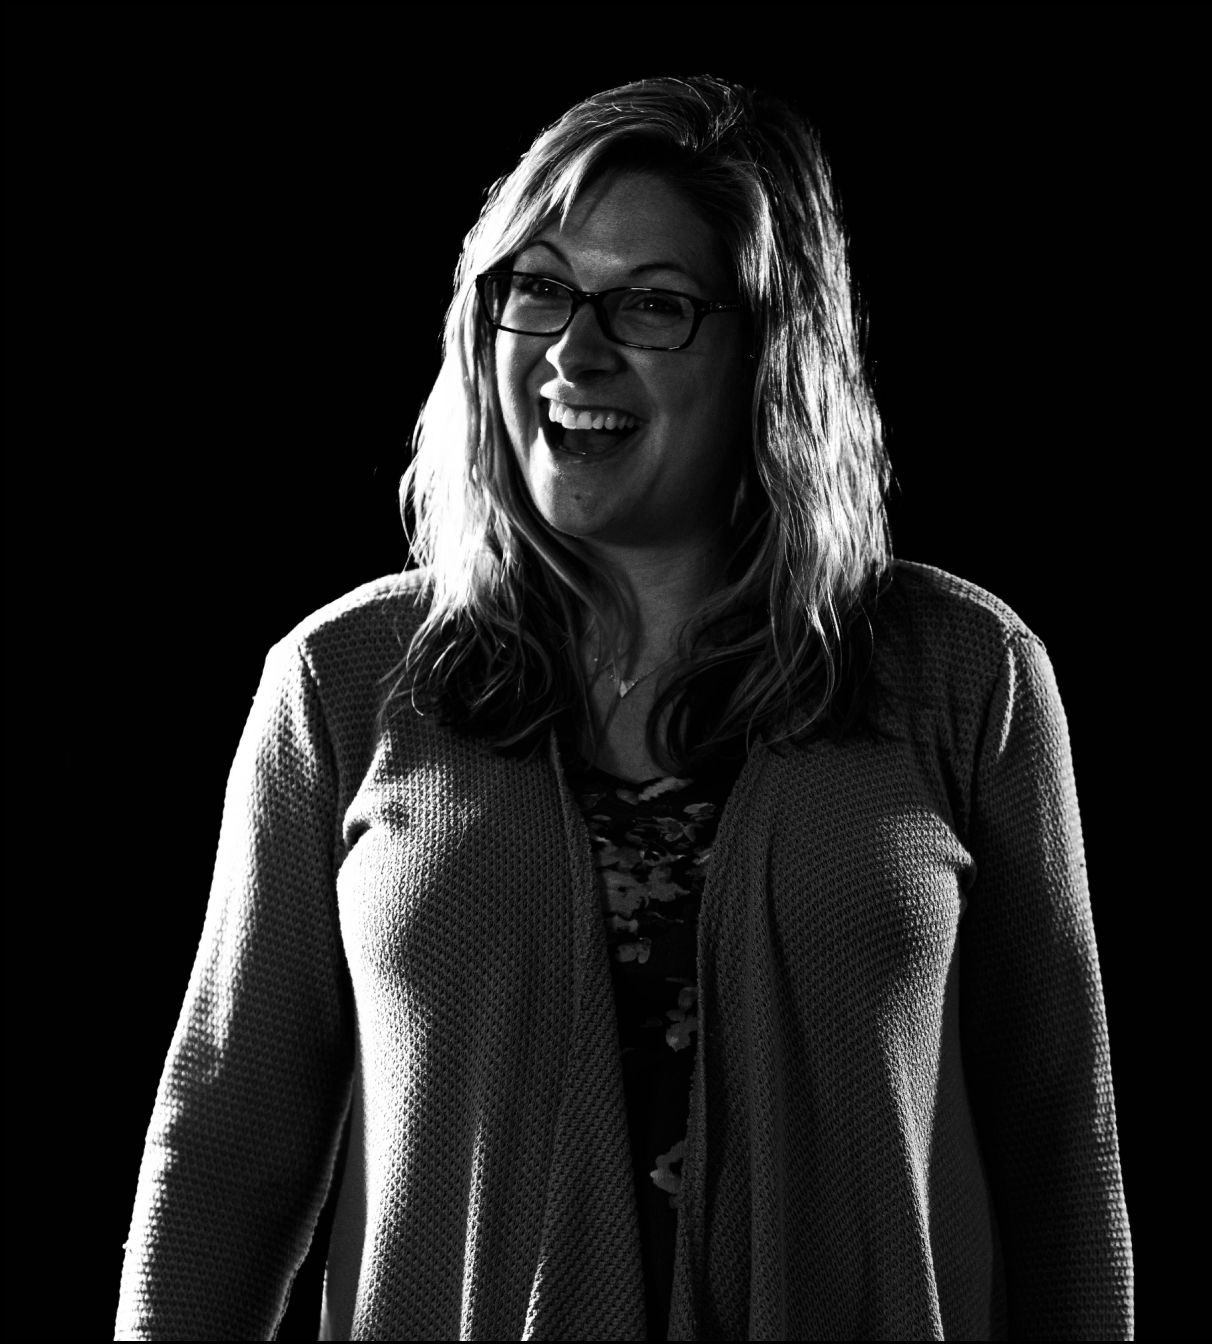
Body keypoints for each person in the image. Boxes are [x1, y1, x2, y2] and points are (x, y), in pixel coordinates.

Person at [114, 75, 1134, 1342]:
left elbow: (1058, 1149)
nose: (571, 353)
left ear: (773, 353)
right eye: (537, 290)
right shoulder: (344, 683)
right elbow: (225, 1148)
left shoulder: (963, 672)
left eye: (651, 304)